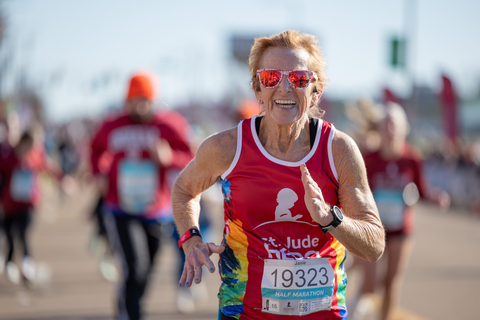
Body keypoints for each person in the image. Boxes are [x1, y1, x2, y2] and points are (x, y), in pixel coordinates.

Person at [172, 30, 385, 320]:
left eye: (298, 79)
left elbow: (374, 246)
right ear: (258, 89)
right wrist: (191, 239)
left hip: (323, 314)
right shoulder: (227, 147)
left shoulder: (338, 150)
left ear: (315, 91)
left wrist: (330, 218)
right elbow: (184, 190)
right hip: (246, 313)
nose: (284, 88)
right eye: (271, 77)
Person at [90, 72, 194, 320]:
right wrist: (99, 173)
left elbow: (192, 156)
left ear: (153, 99)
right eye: (133, 99)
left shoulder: (168, 124)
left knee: (145, 271)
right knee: (134, 267)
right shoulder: (112, 124)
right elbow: (95, 149)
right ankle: (129, 314)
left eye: (144, 99)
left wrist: (170, 159)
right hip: (119, 207)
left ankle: (127, 307)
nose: (138, 105)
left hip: (155, 210)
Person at [349, 102, 450, 320]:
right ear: (380, 129)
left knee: (391, 283)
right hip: (374, 229)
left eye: (395, 125)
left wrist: (436, 198)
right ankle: (354, 309)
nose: (391, 130)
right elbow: (356, 190)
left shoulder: (411, 158)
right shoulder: (370, 159)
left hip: (400, 230)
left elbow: (421, 191)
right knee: (370, 284)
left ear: (404, 129)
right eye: (387, 125)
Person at [0, 130, 61, 285]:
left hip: (27, 205)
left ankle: (27, 266)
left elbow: (48, 168)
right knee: (9, 236)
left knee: (23, 233)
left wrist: (63, 179)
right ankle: (9, 262)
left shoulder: (34, 157)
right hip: (8, 205)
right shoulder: (8, 156)